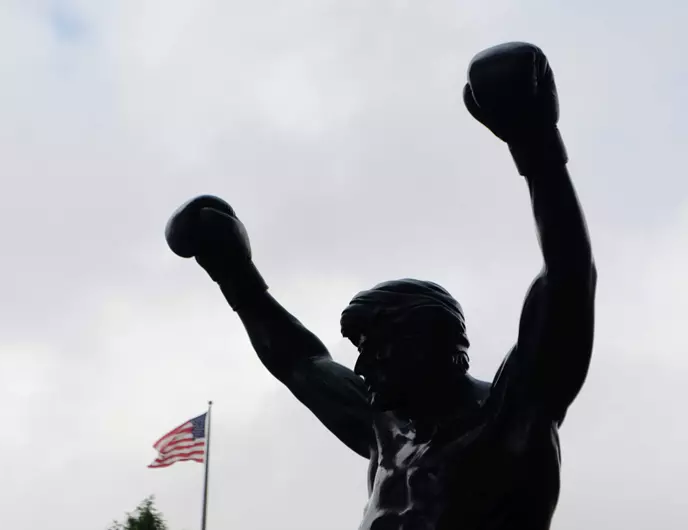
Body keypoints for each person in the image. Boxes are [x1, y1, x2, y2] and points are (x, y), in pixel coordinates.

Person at [165, 41, 597, 530]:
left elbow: (568, 281)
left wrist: (536, 147)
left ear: (429, 346)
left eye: (378, 350)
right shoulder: (387, 428)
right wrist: (235, 275)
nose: (364, 366)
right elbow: (299, 361)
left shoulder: (512, 416)